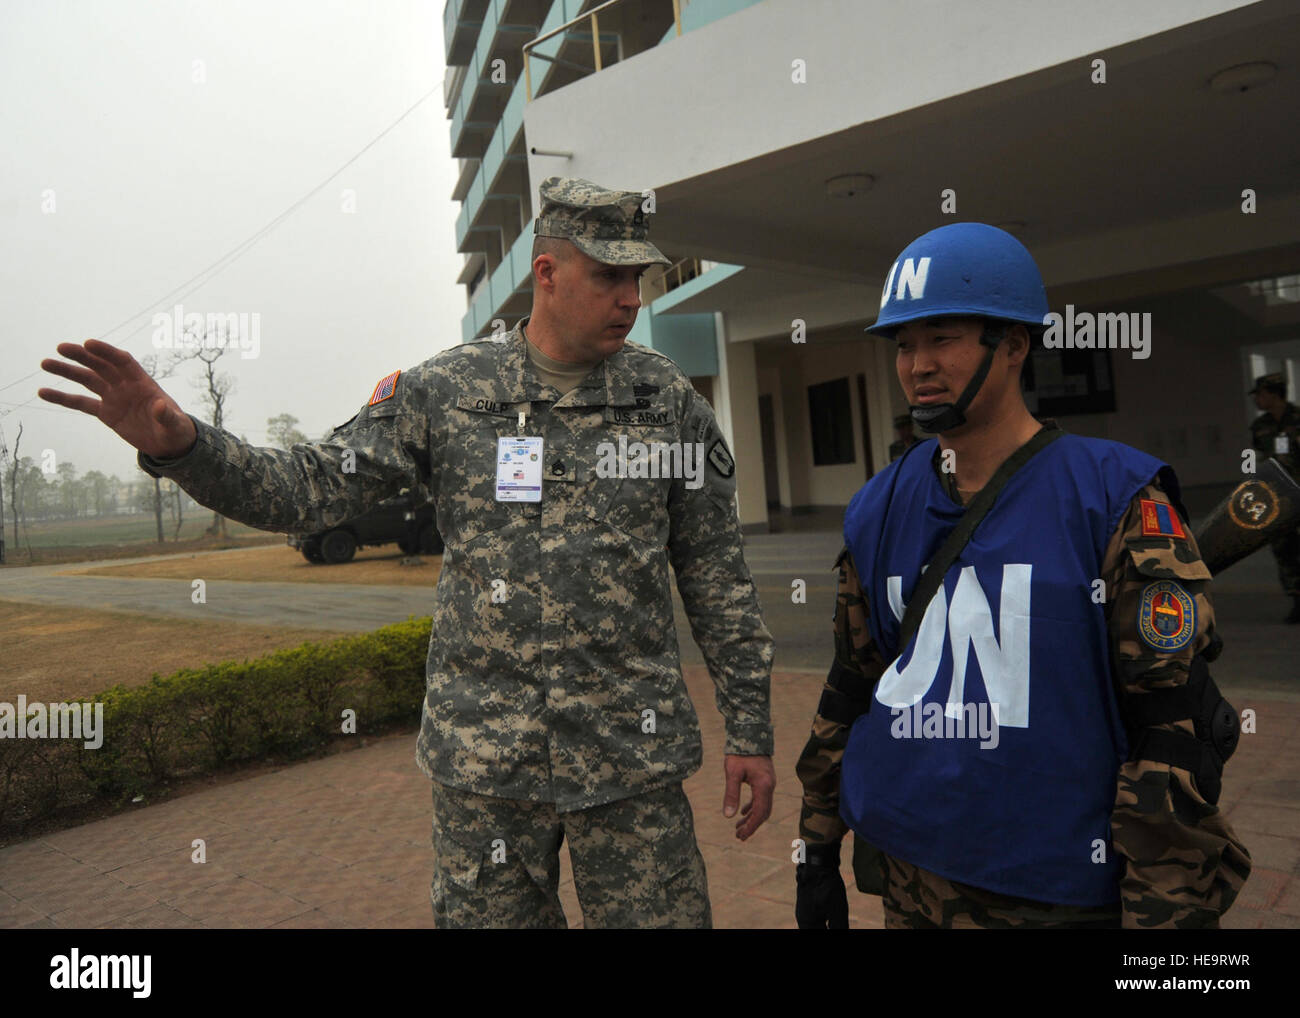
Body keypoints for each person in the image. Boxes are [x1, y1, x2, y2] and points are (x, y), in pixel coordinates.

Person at [39, 176, 777, 930]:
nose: (630, 297)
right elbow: (312, 487)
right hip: (486, 770)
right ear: (548, 273)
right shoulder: (446, 393)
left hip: (631, 767)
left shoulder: (667, 403)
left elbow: (717, 574)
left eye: (638, 277)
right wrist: (188, 448)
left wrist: (749, 730)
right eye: (609, 275)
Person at [794, 222, 1250, 929]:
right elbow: (852, 685)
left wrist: (1167, 922)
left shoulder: (1114, 499)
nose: (917, 365)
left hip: (1053, 891)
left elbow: (1174, 734)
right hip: (912, 881)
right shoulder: (877, 508)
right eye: (903, 345)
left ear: (1013, 345)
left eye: (941, 337)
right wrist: (817, 846)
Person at [1247, 371, 1300, 623]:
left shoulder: (1298, 418)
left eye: (1260, 394)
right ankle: (1297, 599)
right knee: (1284, 548)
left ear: (1273, 394)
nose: (1257, 400)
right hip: (1278, 498)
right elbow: (1259, 459)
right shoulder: (1260, 426)